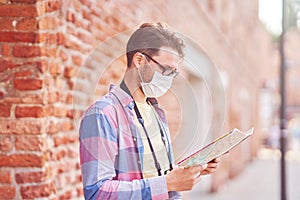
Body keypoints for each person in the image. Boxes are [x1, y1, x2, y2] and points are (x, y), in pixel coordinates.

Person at [79, 22, 220, 200]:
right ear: (139, 60)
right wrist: (168, 183)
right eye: (167, 70)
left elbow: (157, 174)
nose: (169, 78)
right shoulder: (102, 114)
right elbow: (97, 193)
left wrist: (190, 171)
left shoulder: (157, 114)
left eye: (173, 73)